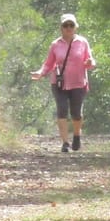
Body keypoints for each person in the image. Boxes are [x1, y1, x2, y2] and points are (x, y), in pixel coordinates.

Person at [32, 13, 95, 153]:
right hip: (59, 83)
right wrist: (40, 72)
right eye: (65, 25)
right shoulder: (55, 44)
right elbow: (48, 64)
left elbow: (90, 61)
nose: (68, 28)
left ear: (75, 27)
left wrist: (90, 63)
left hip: (78, 83)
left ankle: (77, 135)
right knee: (61, 110)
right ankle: (65, 142)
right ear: (61, 27)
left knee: (76, 113)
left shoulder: (82, 42)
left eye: (71, 25)